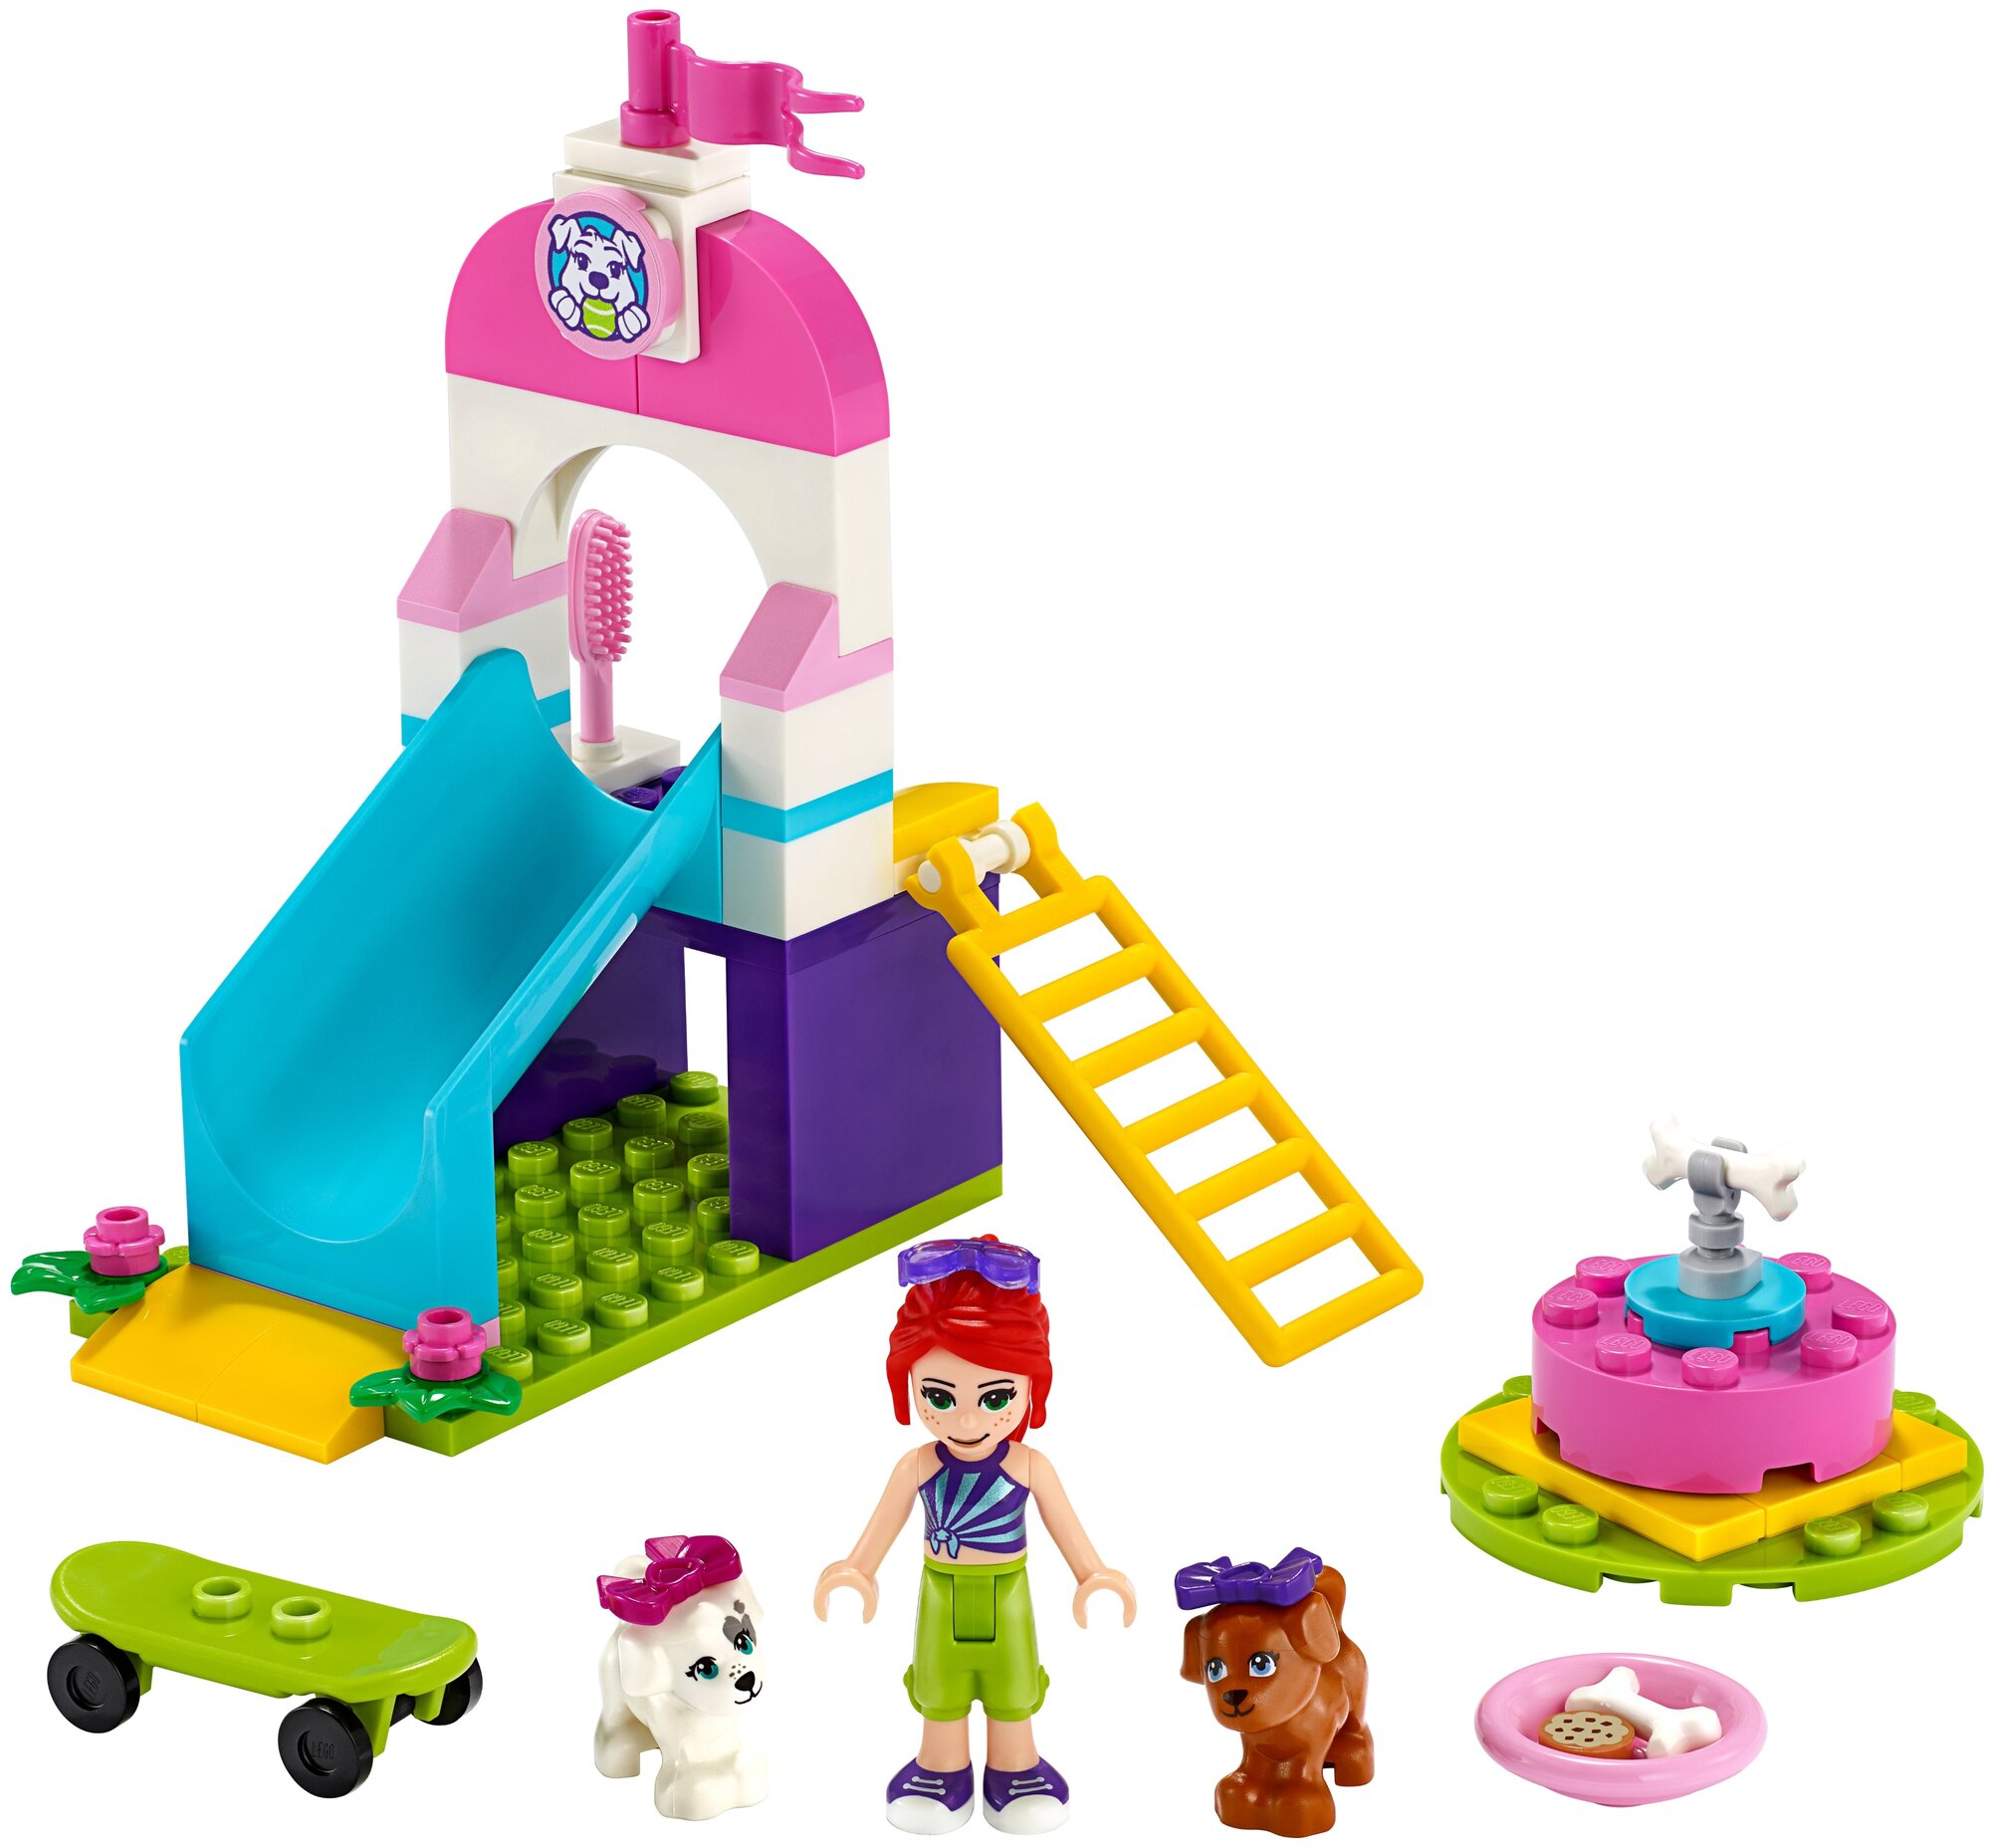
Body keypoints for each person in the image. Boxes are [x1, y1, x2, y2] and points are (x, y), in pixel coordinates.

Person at [815, 1236, 1136, 1834]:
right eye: (939, 1396)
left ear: (1031, 1388)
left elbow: (1067, 1528)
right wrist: (857, 1570)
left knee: (1014, 1685)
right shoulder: (918, 1466)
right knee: (939, 1687)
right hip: (940, 1592)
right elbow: (882, 1526)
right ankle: (941, 1770)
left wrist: (1093, 1576)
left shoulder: (1030, 1466)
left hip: (1008, 1593)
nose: (966, 1419)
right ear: (908, 1384)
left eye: (996, 1398)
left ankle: (1016, 1770)